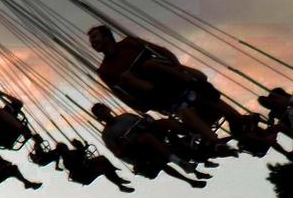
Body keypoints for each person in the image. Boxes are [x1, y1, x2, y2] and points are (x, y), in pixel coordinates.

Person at [87, 26, 248, 149]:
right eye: (91, 41)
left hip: (168, 76)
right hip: (155, 92)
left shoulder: (129, 43)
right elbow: (121, 94)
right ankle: (217, 143)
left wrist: (177, 66)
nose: (93, 43)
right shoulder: (105, 70)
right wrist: (140, 106)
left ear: (107, 35)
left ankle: (240, 122)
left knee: (150, 64)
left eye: (95, 37)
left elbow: (160, 51)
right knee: (126, 77)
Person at [90, 102, 208, 188]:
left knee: (164, 123)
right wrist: (124, 144)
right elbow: (117, 152)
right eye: (100, 113)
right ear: (99, 118)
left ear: (108, 109)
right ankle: (187, 174)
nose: (104, 114)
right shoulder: (107, 134)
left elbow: (144, 123)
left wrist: (147, 121)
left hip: (148, 136)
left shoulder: (125, 116)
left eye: (103, 110)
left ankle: (191, 134)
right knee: (153, 151)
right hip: (137, 151)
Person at [60, 139, 134, 192]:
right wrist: (81, 149)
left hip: (86, 171)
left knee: (102, 160)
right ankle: (119, 183)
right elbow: (79, 162)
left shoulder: (72, 154)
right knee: (103, 167)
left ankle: (119, 182)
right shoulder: (67, 161)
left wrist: (83, 147)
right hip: (84, 176)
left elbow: (81, 154)